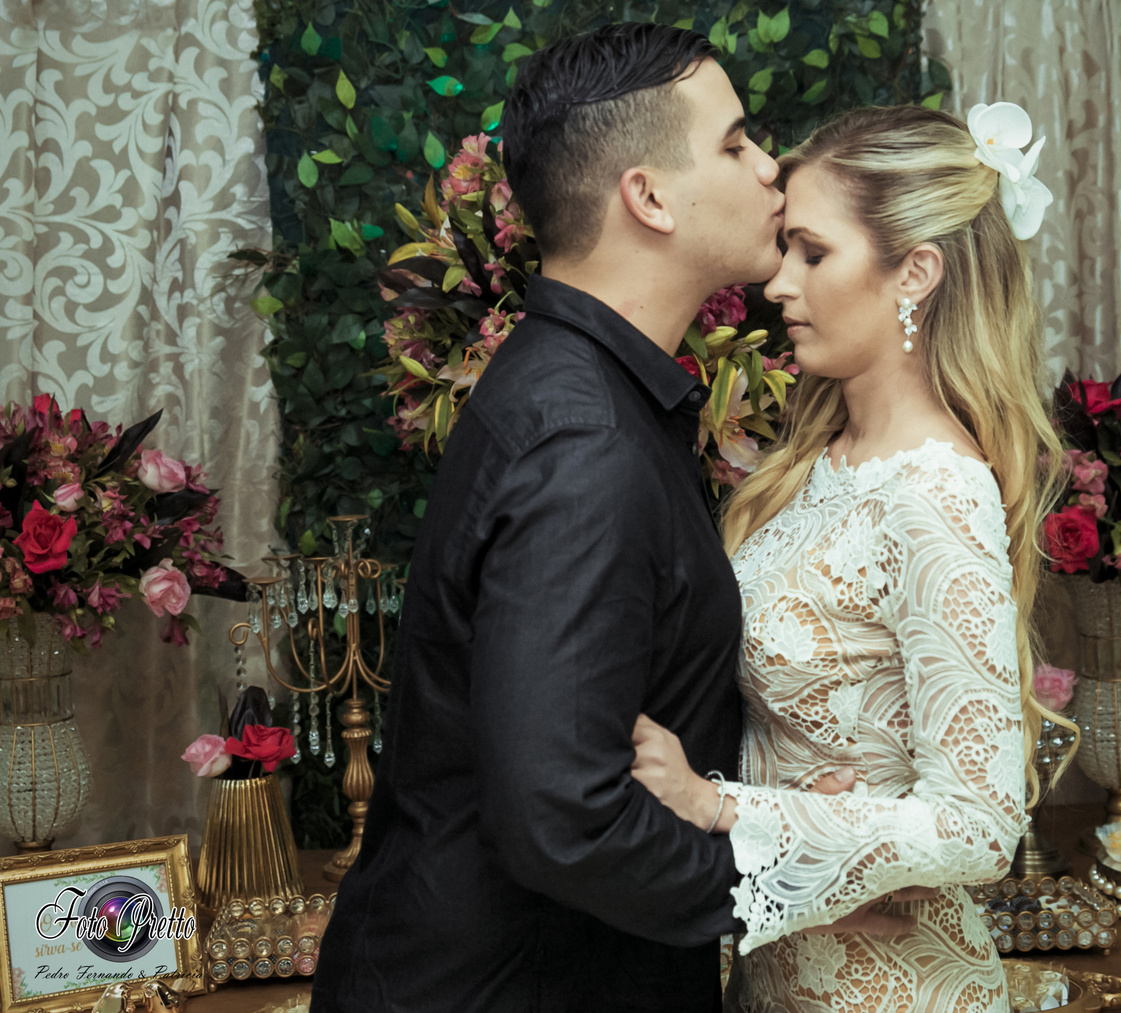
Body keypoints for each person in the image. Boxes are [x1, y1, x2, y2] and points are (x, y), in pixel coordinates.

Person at [310, 24, 794, 1013]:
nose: (769, 166)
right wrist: (789, 884)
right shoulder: (584, 441)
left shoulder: (588, 390)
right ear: (648, 197)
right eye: (736, 142)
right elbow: (566, 816)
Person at [630, 102, 1075, 1012]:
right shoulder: (814, 463)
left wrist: (725, 807)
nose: (779, 283)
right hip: (781, 977)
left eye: (813, 253)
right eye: (785, 249)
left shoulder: (938, 489)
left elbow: (980, 824)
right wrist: (816, 826)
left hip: (897, 987)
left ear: (916, 272)